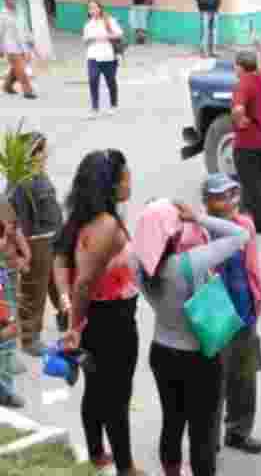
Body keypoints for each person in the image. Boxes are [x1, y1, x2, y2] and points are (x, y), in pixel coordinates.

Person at [135, 198, 251, 476]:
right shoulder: (189, 263)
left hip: (162, 352)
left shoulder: (140, 266)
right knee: (203, 430)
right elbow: (240, 235)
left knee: (172, 423)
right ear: (173, 233)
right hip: (199, 357)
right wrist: (198, 218)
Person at [54, 150, 145, 475]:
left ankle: (96, 452)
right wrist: (74, 325)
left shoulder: (82, 217)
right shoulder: (106, 225)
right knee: (117, 398)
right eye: (125, 176)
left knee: (95, 390)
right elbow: (85, 283)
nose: (129, 181)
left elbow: (61, 260)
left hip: (95, 320)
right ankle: (125, 467)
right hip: (112, 323)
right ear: (111, 184)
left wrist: (68, 310)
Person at [204, 174, 261, 457]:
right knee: (216, 379)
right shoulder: (201, 232)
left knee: (245, 375)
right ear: (207, 202)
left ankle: (239, 431)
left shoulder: (246, 225)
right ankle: (208, 437)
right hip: (216, 310)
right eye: (221, 196)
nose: (229, 201)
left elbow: (252, 266)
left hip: (245, 307)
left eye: (233, 194)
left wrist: (258, 297)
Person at [8, 132, 64, 357]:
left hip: (51, 238)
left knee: (55, 283)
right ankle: (30, 337)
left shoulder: (38, 174)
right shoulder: (21, 182)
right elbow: (16, 218)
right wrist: (23, 249)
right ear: (31, 154)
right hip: (36, 242)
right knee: (35, 290)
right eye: (41, 150)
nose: (44, 154)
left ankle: (65, 317)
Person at [232, 49, 261, 235]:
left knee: (251, 185)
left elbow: (238, 108)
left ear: (240, 67)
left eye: (235, 66)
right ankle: (241, 220)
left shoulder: (243, 84)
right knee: (254, 183)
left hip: (247, 143)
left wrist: (239, 120)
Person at [0, 199, 30, 408]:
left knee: (7, 342)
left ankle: (5, 391)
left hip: (6, 273)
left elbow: (14, 231)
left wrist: (23, 256)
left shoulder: (3, 202)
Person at [83, 0, 123, 118]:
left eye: (95, 8)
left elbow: (120, 34)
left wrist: (106, 36)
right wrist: (90, 39)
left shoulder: (109, 21)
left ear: (100, 8)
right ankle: (95, 108)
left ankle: (113, 105)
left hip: (108, 56)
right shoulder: (88, 24)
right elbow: (85, 40)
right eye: (90, 8)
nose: (93, 10)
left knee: (110, 81)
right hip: (92, 56)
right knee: (93, 80)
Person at [1, 0, 36, 99]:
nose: (12, 0)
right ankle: (28, 91)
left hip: (23, 45)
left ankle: (7, 86)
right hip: (10, 46)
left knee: (16, 68)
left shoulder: (21, 12)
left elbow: (26, 27)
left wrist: (31, 40)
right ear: (5, 0)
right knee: (21, 69)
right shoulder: (2, 15)